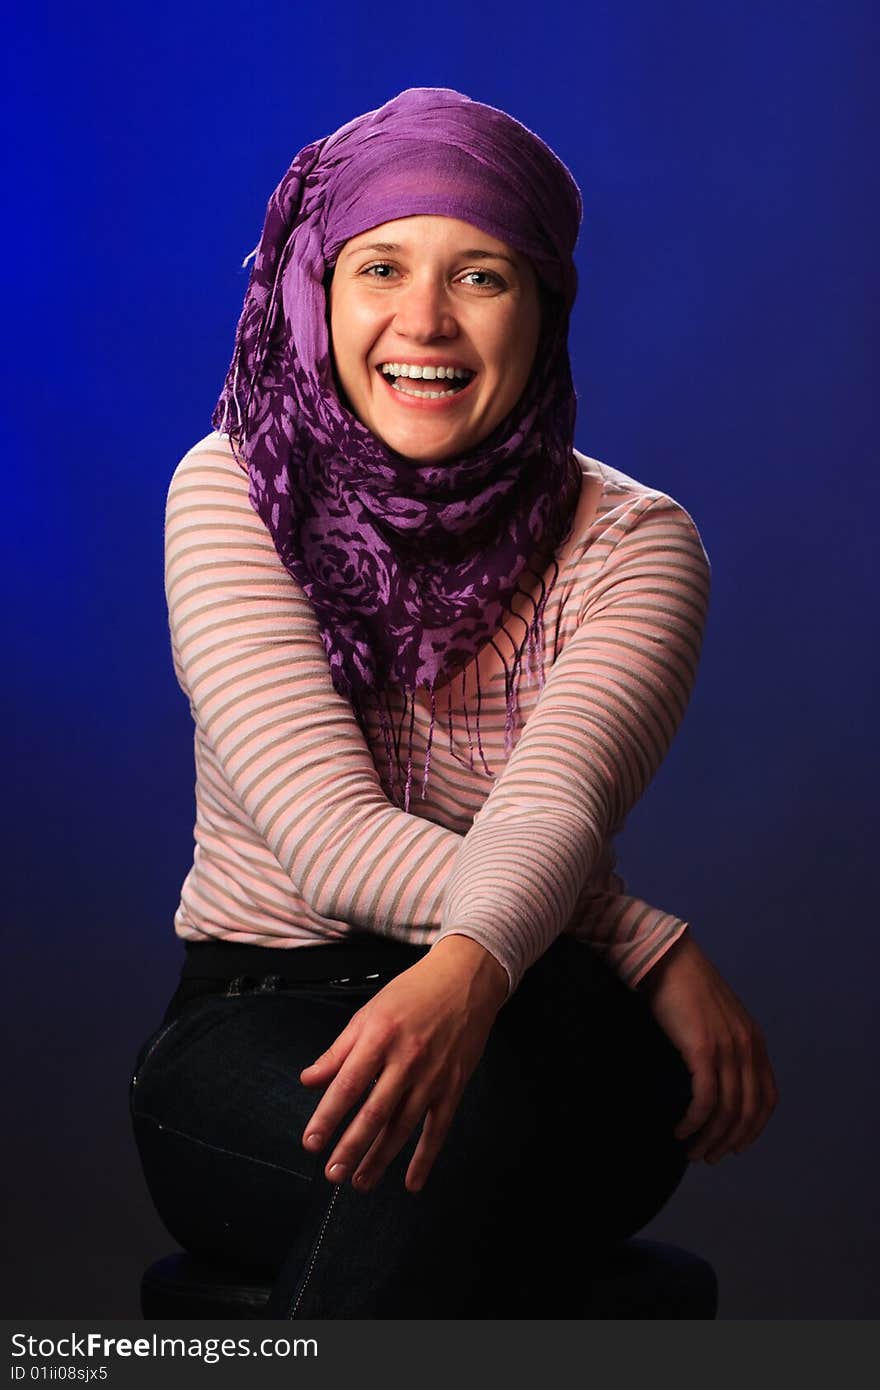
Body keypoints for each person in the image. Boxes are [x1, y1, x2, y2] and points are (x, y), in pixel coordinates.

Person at [130, 87, 777, 1319]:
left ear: (545, 309)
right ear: (315, 293)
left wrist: (487, 966)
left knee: (475, 1113)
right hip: (264, 1010)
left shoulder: (634, 545)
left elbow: (558, 799)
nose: (422, 320)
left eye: (480, 275)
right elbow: (326, 838)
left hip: (548, 1010)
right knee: (436, 1144)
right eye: (380, 266)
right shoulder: (233, 488)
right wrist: (644, 941)